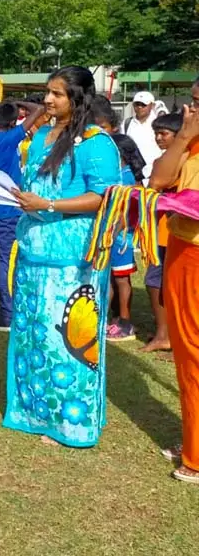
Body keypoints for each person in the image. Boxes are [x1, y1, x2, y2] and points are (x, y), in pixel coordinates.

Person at [5, 66, 121, 448]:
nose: (48, 100)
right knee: (34, 334)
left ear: (78, 97)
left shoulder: (96, 142)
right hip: (34, 249)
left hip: (73, 257)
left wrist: (50, 203)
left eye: (57, 94)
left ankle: (71, 421)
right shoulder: (40, 135)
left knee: (69, 339)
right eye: (47, 92)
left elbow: (103, 196)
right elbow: (33, 184)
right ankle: (35, 411)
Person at [148, 76, 199, 483]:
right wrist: (183, 138)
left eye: (198, 104)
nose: (192, 111)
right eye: (192, 102)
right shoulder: (189, 141)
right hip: (182, 250)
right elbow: (159, 181)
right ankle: (193, 440)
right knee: (186, 351)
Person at [0, 100, 45, 330]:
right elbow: (39, 110)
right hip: (9, 207)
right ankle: (6, 314)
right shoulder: (11, 137)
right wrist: (18, 102)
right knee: (7, 261)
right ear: (14, 123)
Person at [140, 111, 183, 354]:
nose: (158, 138)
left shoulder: (180, 162)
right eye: (156, 133)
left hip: (172, 232)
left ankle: (165, 335)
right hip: (161, 231)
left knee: (159, 283)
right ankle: (165, 332)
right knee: (156, 282)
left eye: (164, 133)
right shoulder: (165, 160)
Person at [106, 134, 146, 342]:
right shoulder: (115, 173)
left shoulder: (128, 176)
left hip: (121, 236)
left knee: (121, 279)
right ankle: (106, 318)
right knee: (109, 279)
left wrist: (116, 229)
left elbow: (130, 208)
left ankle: (125, 321)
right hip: (109, 234)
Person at [124, 91, 167, 183]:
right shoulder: (126, 124)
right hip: (134, 176)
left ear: (151, 105)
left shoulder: (159, 123)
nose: (139, 107)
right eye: (137, 104)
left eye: (143, 104)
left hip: (156, 174)